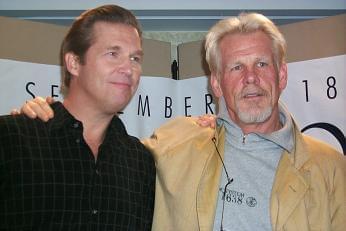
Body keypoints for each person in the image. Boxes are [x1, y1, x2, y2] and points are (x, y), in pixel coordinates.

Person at [13, 13, 345, 231]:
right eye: (235, 68)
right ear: (215, 83)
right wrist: (37, 119)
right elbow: (93, 141)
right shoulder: (176, 142)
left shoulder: (331, 168)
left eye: (261, 64)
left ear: (282, 74)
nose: (250, 79)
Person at [0, 5, 155, 230]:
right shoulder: (11, 138)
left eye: (135, 58)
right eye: (113, 53)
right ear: (73, 63)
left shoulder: (141, 163)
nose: (128, 68)